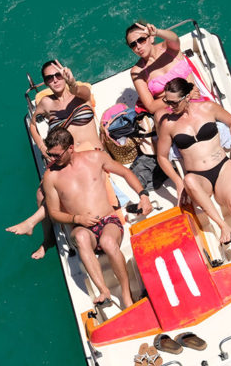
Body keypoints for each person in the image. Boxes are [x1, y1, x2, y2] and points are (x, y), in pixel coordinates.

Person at [41, 128, 152, 307]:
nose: (52, 159)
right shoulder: (51, 176)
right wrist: (77, 219)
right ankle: (104, 291)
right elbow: (54, 212)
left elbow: (125, 172)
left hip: (108, 220)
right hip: (82, 226)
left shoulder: (95, 158)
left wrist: (143, 195)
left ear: (70, 148)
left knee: (109, 242)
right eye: (50, 154)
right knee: (80, 237)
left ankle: (126, 294)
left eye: (57, 155)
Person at [155, 78, 231, 256]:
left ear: (186, 97)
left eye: (173, 102)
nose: (170, 106)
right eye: (167, 101)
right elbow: (162, 157)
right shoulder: (168, 124)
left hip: (222, 167)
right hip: (198, 177)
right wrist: (178, 181)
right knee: (188, 179)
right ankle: (223, 226)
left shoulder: (208, 108)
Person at [7, 59, 102, 259]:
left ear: (65, 74)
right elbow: (33, 124)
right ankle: (48, 239)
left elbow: (82, 92)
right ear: (46, 82)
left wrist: (72, 82)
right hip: (63, 156)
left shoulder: (80, 92)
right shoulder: (46, 103)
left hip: (89, 152)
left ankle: (31, 222)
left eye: (58, 75)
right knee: (41, 194)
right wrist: (41, 146)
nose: (55, 80)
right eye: (49, 78)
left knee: (64, 186)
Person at [127, 22, 206, 115]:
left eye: (141, 40)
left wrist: (156, 32)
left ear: (151, 38)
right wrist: (182, 96)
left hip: (194, 100)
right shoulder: (137, 72)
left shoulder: (169, 48)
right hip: (171, 111)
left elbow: (174, 38)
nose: (138, 47)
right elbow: (151, 107)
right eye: (133, 45)